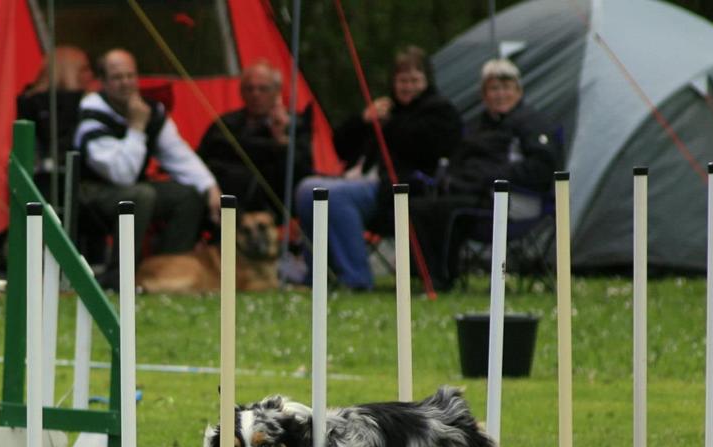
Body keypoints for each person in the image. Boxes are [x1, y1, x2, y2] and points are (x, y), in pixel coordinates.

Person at [295, 46, 462, 290]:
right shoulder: (384, 110)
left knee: (335, 197)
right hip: (360, 179)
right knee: (307, 189)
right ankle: (318, 277)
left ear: (427, 81)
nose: (408, 87)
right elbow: (341, 147)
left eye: (415, 80)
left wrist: (389, 124)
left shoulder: (440, 111)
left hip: (399, 190)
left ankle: (357, 279)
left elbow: (425, 147)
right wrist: (363, 121)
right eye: (402, 80)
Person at [75, 48, 221, 289]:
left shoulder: (150, 110)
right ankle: (119, 278)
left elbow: (178, 155)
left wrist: (210, 187)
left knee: (187, 195)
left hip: (133, 188)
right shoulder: (92, 112)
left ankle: (167, 271)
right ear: (102, 82)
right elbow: (122, 175)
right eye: (117, 77)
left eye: (130, 76)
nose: (126, 84)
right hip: (92, 191)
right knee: (141, 195)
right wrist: (136, 128)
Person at [411, 58, 561, 288]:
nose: (500, 94)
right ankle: (424, 275)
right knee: (419, 206)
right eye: (493, 88)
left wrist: (489, 179)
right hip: (472, 193)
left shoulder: (533, 123)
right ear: (484, 94)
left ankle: (441, 278)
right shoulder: (477, 126)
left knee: (447, 209)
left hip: (513, 199)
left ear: (518, 90)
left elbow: (540, 169)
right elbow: (458, 161)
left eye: (506, 87)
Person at [196, 59, 312, 222]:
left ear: (277, 92)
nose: (255, 94)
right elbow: (205, 155)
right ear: (242, 93)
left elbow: (302, 171)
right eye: (249, 89)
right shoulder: (226, 124)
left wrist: (282, 140)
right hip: (225, 202)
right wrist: (271, 148)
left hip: (273, 208)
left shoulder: (295, 125)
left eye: (263, 89)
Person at [15, 44, 96, 196]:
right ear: (67, 71)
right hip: (54, 181)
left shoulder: (26, 101)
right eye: (84, 69)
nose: (90, 75)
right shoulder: (81, 104)